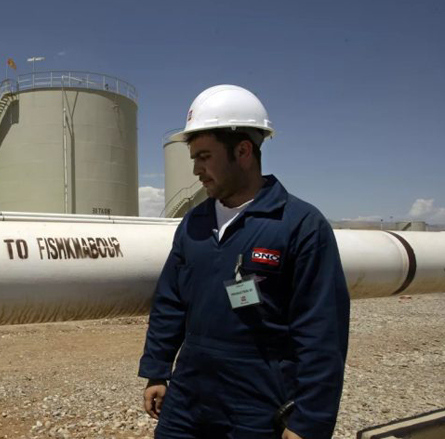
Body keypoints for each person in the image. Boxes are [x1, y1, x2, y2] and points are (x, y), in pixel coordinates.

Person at [139, 85, 350, 439]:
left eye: (204, 156)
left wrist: (309, 421)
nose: (196, 170)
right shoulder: (195, 222)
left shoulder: (299, 225)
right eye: (193, 157)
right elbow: (170, 302)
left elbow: (321, 331)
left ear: (243, 151)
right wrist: (158, 370)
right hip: (189, 391)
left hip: (257, 400)